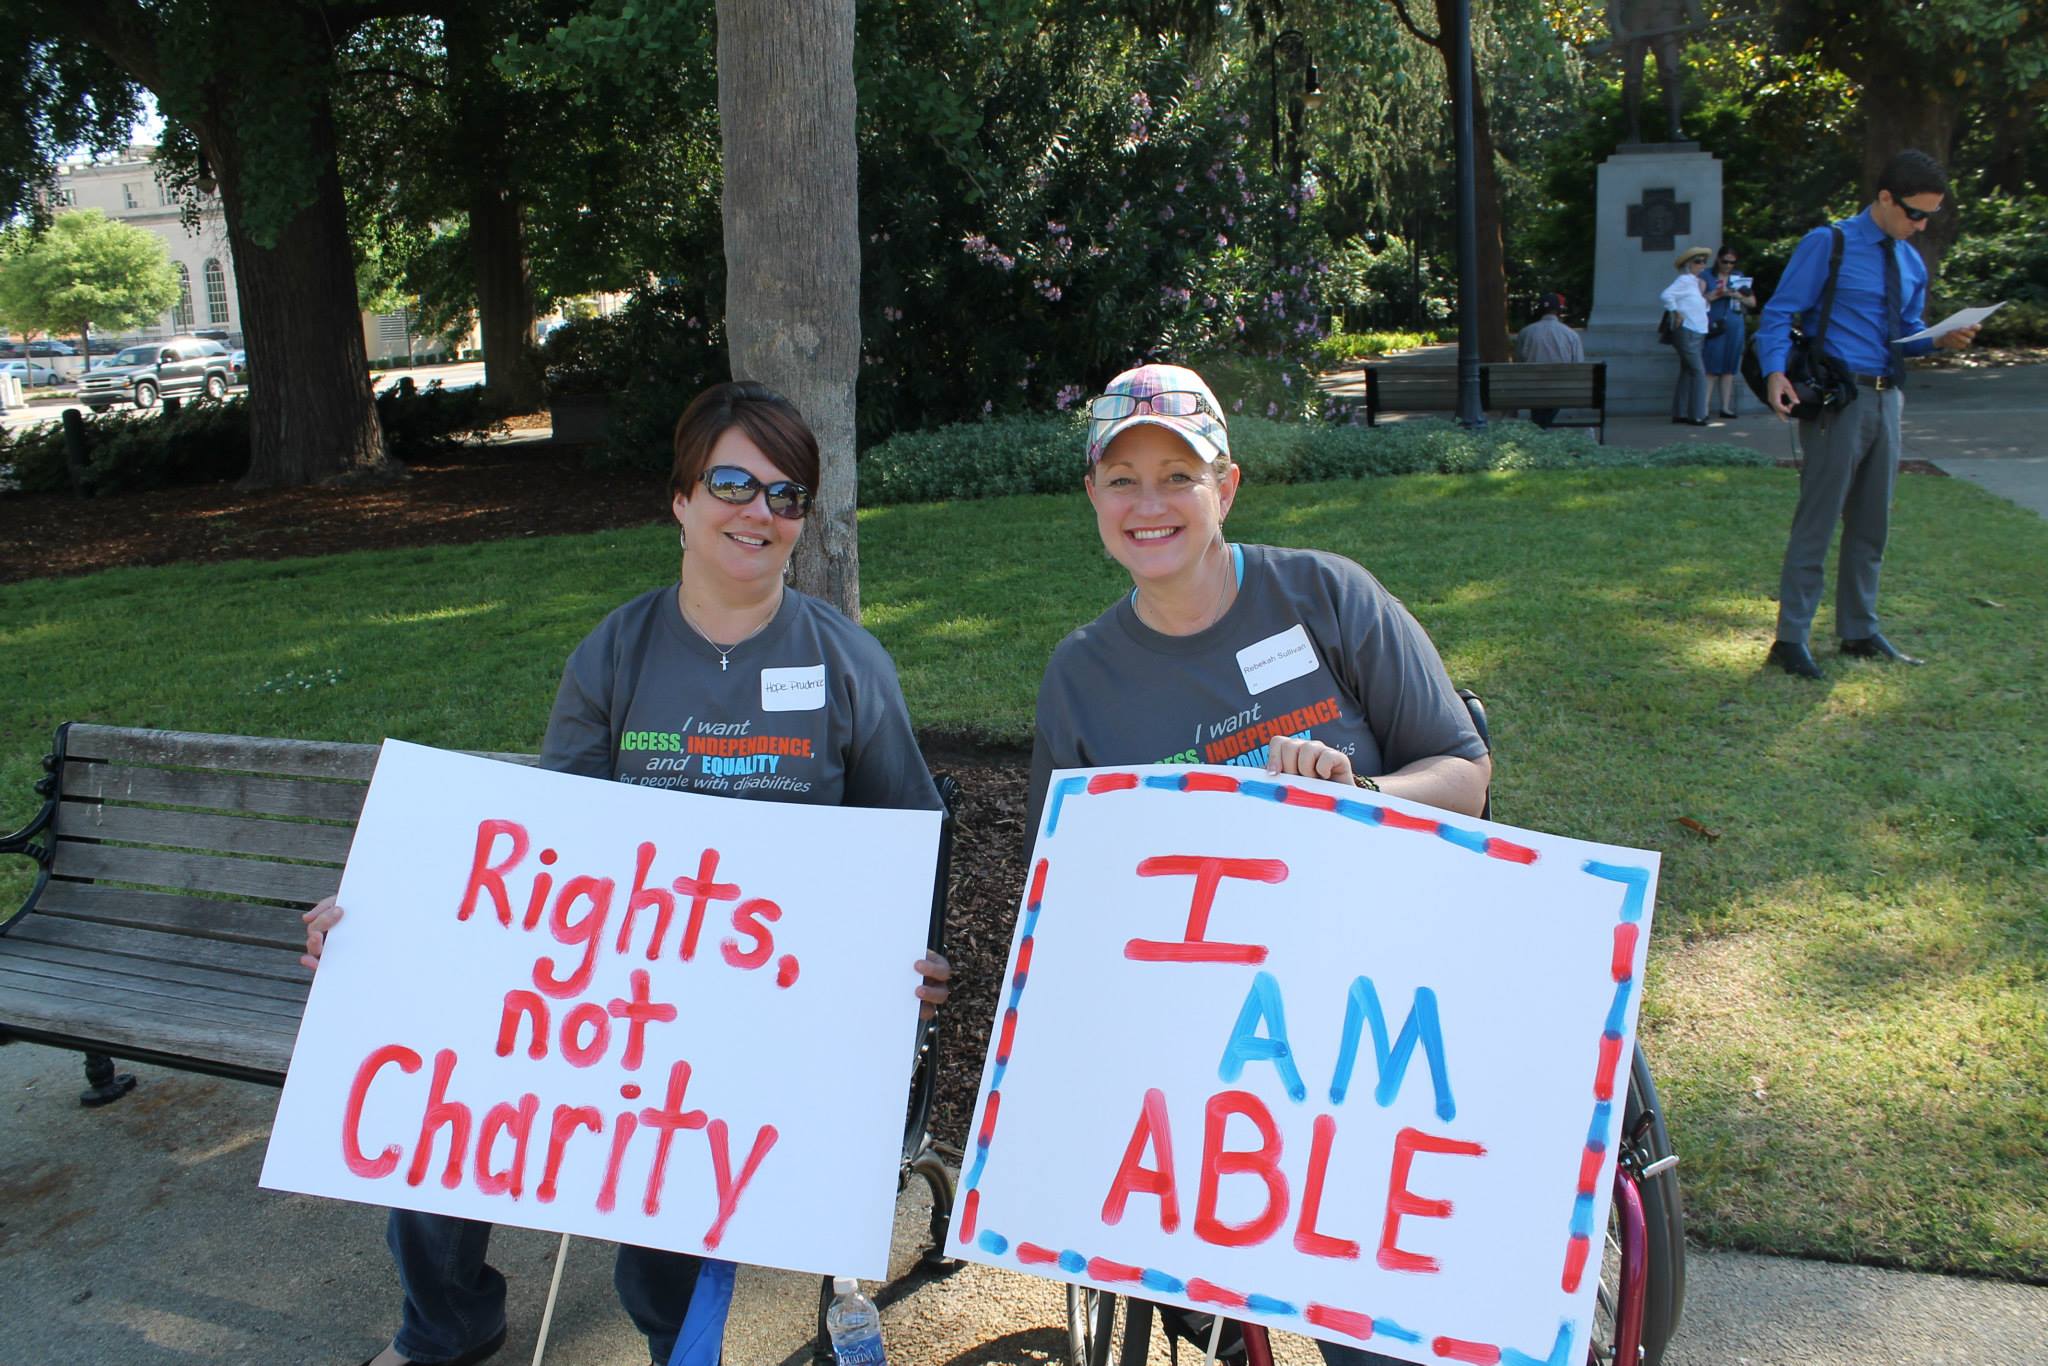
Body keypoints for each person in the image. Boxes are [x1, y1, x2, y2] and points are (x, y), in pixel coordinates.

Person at [301, 380, 953, 1366]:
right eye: (734, 483)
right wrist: (383, 928)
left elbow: (911, 838)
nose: (760, 512)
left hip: (762, 1014)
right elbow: (543, 842)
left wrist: (920, 964)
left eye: (786, 496)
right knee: (433, 1101)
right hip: (620, 1002)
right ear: (682, 499)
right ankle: (447, 1324)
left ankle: (670, 1341)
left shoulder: (846, 663)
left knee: (664, 1228)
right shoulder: (617, 651)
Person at [1025, 362, 1491, 1366]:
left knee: (1380, 1339)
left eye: (1176, 476)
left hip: (1376, 1002)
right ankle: (1211, 1304)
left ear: (1224, 487)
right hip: (1206, 1027)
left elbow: (1464, 772)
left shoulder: (1323, 595)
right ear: (1092, 499)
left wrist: (1356, 798)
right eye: (1121, 479)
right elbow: (1063, 891)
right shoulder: (1081, 677)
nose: (1149, 504)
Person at [1755, 149, 1981, 678]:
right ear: (1884, 198)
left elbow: (1905, 336)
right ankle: (1791, 640)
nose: (1921, 225)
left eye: (1930, 216)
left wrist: (1940, 338)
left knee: (1871, 523)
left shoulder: (1909, 259)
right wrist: (1774, 373)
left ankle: (1858, 630)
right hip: (1840, 398)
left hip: (1888, 398)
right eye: (1914, 213)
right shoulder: (1828, 243)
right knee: (1818, 519)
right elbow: (1780, 312)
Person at [1514, 291, 1585, 427]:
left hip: (1532, 389)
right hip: (1560, 389)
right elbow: (1578, 366)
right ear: (1559, 311)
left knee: (1539, 400)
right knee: (1553, 394)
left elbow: (1519, 362)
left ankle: (1540, 427)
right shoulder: (1571, 335)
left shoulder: (1525, 332)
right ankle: (1543, 426)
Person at [1660, 245, 1712, 426]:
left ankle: (1680, 412)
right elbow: (1666, 295)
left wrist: (1704, 295)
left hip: (1697, 331)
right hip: (1688, 331)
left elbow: (1701, 307)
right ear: (1688, 264)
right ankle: (1698, 414)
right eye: (1698, 261)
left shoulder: (1695, 283)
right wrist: (1677, 312)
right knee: (1698, 372)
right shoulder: (1684, 280)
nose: (1702, 265)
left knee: (1688, 371)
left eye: (1704, 262)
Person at [1700, 245, 1755, 418]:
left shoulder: (1738, 277)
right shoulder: (1706, 275)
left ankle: (1725, 407)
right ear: (1718, 259)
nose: (1728, 266)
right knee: (1711, 367)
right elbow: (1699, 300)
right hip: (1715, 326)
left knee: (1729, 368)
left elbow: (1752, 302)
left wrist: (1738, 295)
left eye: (1732, 262)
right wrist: (1718, 293)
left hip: (1735, 324)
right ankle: (1704, 408)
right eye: (1725, 261)